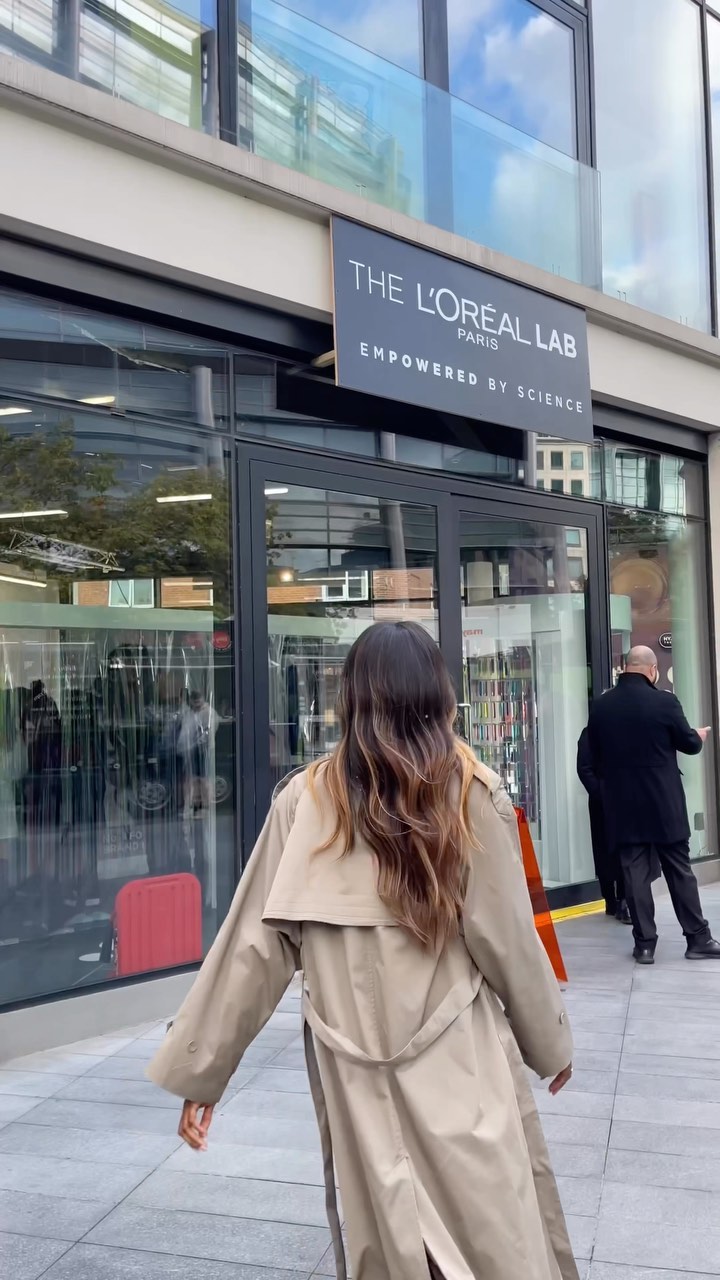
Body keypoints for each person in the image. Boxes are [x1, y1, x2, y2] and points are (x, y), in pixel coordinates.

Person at [148, 621, 577, 1280]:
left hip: (358, 1080)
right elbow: (510, 943)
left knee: (390, 1243)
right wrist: (550, 1045)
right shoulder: (472, 793)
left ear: (350, 698)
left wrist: (202, 1070)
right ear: (439, 696)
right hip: (460, 1068)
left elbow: (253, 948)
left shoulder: (304, 803)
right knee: (493, 1239)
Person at [586, 644, 718, 965]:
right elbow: (688, 743)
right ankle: (697, 938)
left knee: (633, 875)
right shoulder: (665, 702)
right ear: (652, 669)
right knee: (679, 870)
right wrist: (698, 736)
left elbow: (594, 756)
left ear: (626, 667)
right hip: (663, 803)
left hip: (623, 806)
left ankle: (645, 945)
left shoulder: (601, 706)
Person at [577, 726, 631, 923]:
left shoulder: (625, 729)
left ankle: (624, 899)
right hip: (602, 800)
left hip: (626, 798)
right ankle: (610, 899)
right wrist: (601, 793)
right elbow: (584, 768)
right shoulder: (591, 732)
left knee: (626, 849)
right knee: (603, 849)